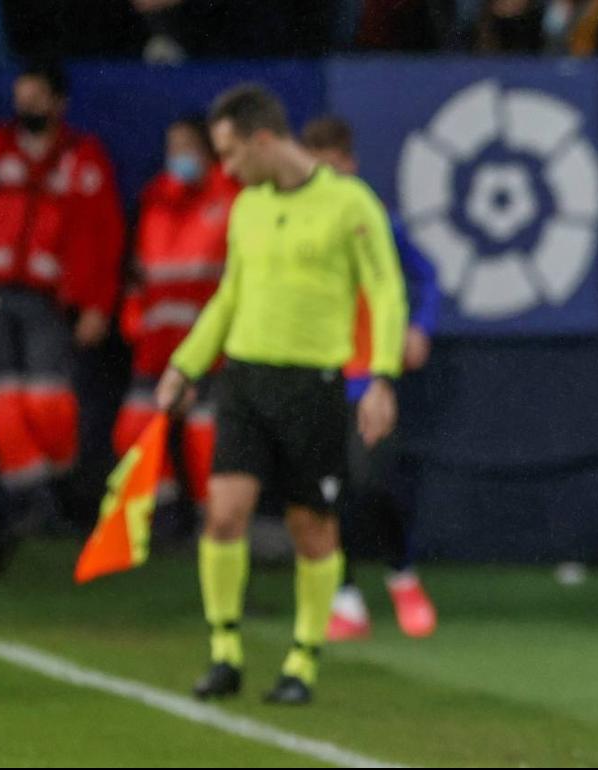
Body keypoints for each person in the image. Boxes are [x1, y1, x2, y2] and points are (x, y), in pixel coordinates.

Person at [154, 84, 408, 705]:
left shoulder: (350, 205)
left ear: (264, 140)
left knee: (311, 529)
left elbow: (386, 291)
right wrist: (184, 365)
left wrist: (381, 376)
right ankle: (225, 653)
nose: (227, 169)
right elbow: (229, 297)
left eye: (233, 154)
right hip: (243, 379)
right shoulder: (246, 208)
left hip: (312, 386)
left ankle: (302, 662)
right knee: (222, 515)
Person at [0, 60, 125, 532]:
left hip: (50, 300)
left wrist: (98, 305)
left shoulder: (82, 156)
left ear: (59, 102)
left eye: (37, 96)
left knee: (50, 400)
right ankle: (31, 503)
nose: (27, 105)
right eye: (21, 95)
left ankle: (63, 491)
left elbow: (104, 237)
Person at [301, 116, 440, 640]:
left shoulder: (373, 218)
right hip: (315, 374)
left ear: (348, 163)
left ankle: (402, 575)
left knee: (371, 482)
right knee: (319, 491)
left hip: (365, 374)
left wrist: (420, 328)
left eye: (331, 164)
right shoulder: (300, 219)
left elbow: (425, 276)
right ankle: (345, 599)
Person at [113, 116, 240, 527]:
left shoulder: (232, 197)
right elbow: (138, 272)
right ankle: (163, 513)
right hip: (156, 345)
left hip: (211, 347)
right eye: (172, 146)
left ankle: (214, 521)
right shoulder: (155, 199)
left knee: (207, 437)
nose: (178, 154)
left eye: (187, 144)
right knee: (132, 430)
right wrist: (134, 317)